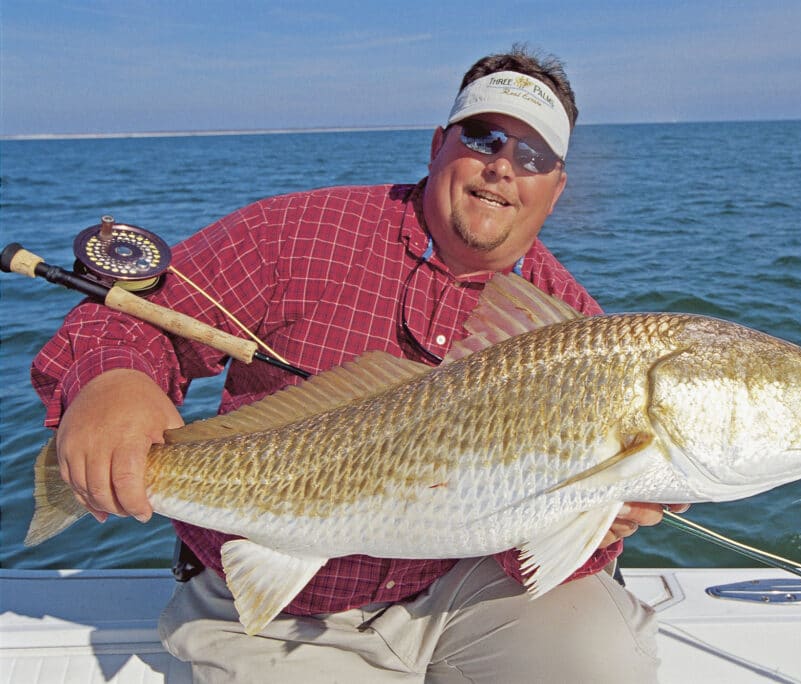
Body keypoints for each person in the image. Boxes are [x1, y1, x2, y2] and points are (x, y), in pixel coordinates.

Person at [31, 46, 684, 682]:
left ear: (558, 185)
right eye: (483, 137)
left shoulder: (580, 330)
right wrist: (113, 381)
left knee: (607, 661)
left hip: (454, 583)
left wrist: (601, 515)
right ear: (438, 144)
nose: (502, 167)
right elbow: (126, 316)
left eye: (533, 154)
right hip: (279, 594)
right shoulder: (297, 233)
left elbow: (548, 552)